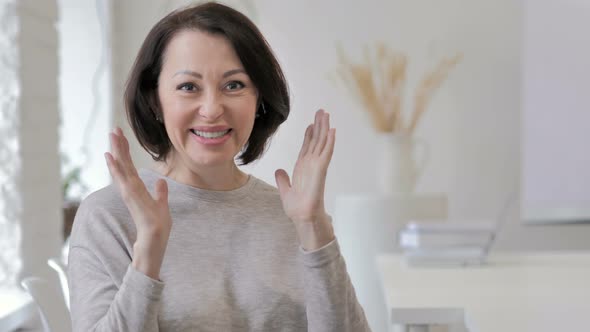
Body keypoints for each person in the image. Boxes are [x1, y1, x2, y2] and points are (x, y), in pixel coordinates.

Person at [68, 2, 370, 331]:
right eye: (188, 87)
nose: (212, 109)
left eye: (234, 85)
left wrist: (314, 227)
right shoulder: (108, 216)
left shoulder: (294, 214)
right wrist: (149, 249)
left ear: (259, 101)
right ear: (155, 100)